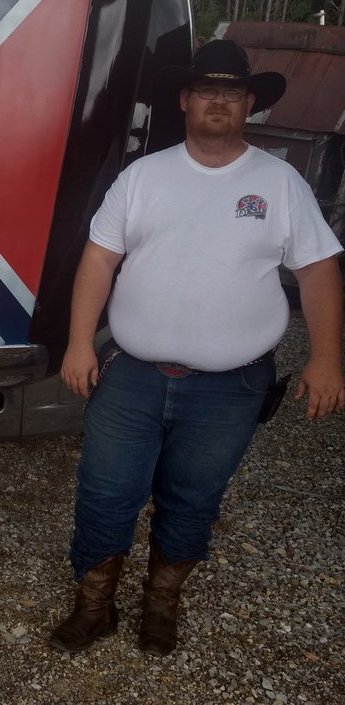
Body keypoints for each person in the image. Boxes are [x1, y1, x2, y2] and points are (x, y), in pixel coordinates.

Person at [49, 40, 344, 657]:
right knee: (106, 491)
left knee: (193, 499)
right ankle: (94, 606)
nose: (218, 100)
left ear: (249, 104)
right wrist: (79, 343)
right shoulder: (143, 177)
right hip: (131, 377)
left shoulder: (280, 182)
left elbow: (317, 271)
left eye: (232, 92)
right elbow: (100, 259)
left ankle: (161, 606)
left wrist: (326, 359)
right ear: (185, 100)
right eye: (207, 89)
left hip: (230, 388)